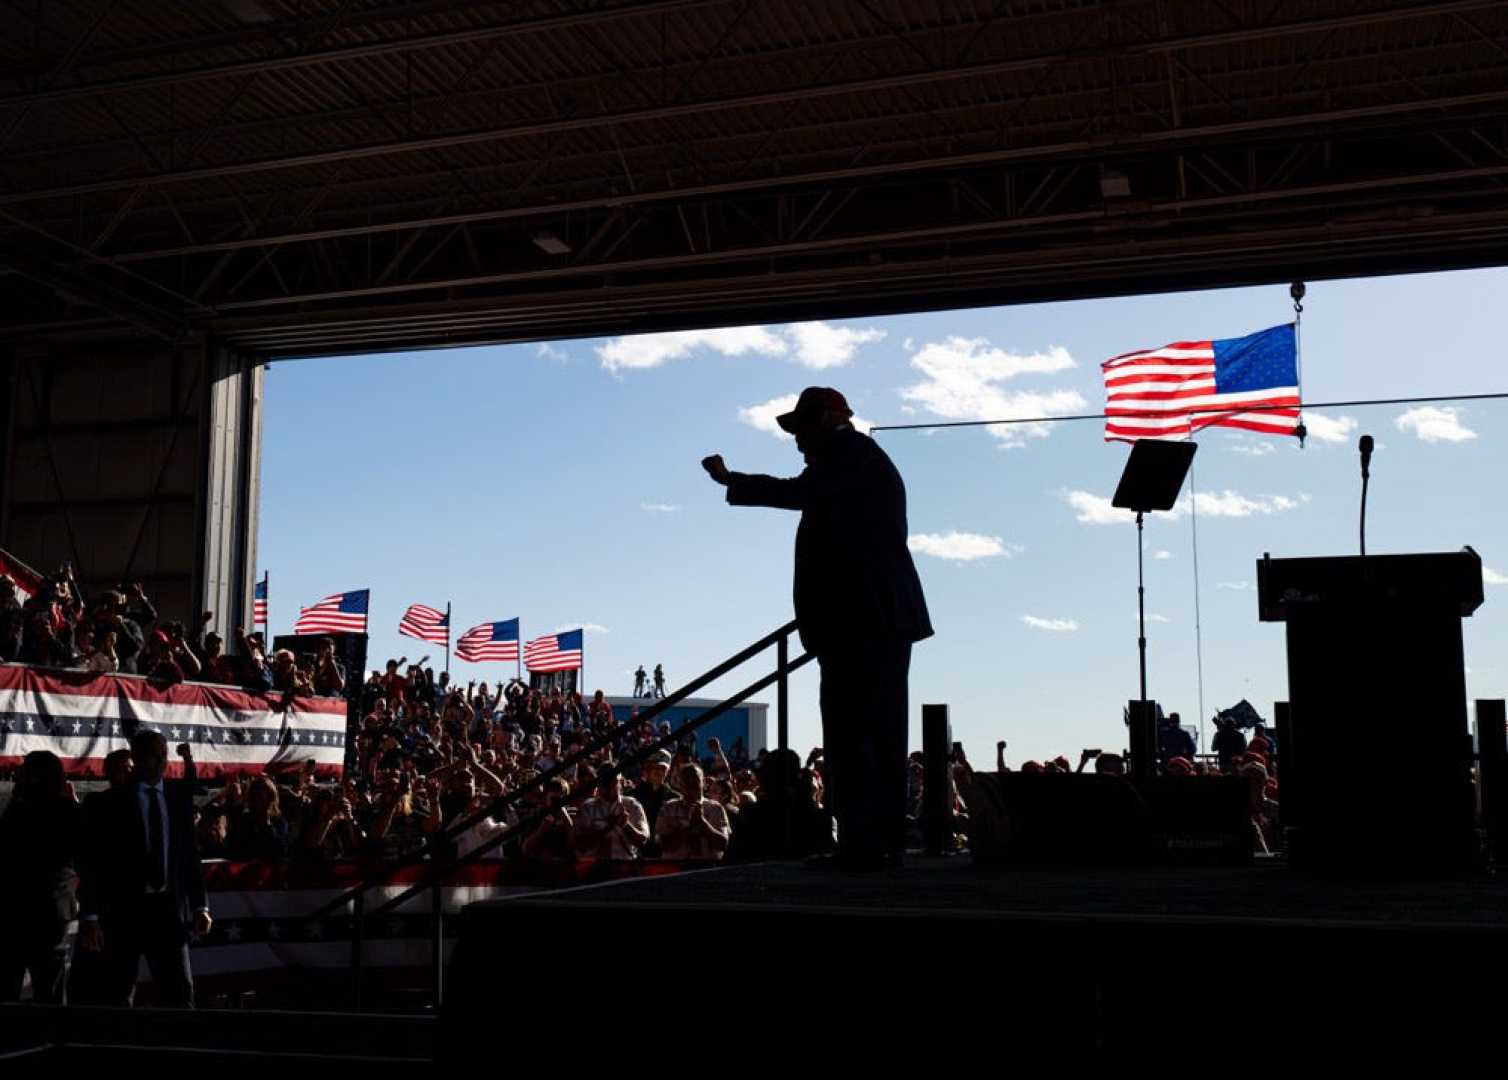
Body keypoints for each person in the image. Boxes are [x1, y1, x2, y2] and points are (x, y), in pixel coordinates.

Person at [703, 386, 932, 869]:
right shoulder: (853, 460)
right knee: (866, 730)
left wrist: (733, 480)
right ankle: (870, 840)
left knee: (857, 731)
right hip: (867, 620)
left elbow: (797, 492)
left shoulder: (852, 456)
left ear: (829, 419)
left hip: (865, 620)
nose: (797, 441)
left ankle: (865, 844)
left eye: (802, 429)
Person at [76, 730, 211, 1007]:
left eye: (164, 754)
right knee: (118, 993)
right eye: (154, 756)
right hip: (123, 913)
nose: (162, 761)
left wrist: (200, 906)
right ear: (137, 758)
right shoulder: (106, 803)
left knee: (180, 992)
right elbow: (92, 863)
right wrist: (90, 915)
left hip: (169, 910)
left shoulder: (177, 797)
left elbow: (189, 856)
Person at [0, 751, 83, 1003]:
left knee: (23, 989)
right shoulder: (66, 810)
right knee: (48, 991)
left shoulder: (20, 811)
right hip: (49, 914)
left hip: (30, 913)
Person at [654, 763, 731, 862]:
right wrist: (687, 828)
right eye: (686, 780)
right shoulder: (668, 808)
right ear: (679, 784)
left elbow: (723, 844)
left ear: (703, 782)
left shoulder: (715, 808)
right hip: (676, 869)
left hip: (707, 870)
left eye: (695, 779)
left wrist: (703, 824)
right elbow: (662, 845)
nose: (691, 784)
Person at [574, 768, 650, 859]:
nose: (609, 786)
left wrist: (626, 825)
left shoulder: (632, 805)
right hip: (594, 866)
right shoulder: (587, 807)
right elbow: (579, 845)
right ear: (598, 784)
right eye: (605, 782)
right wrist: (607, 829)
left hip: (625, 865)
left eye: (613, 782)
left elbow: (643, 841)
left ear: (620, 783)